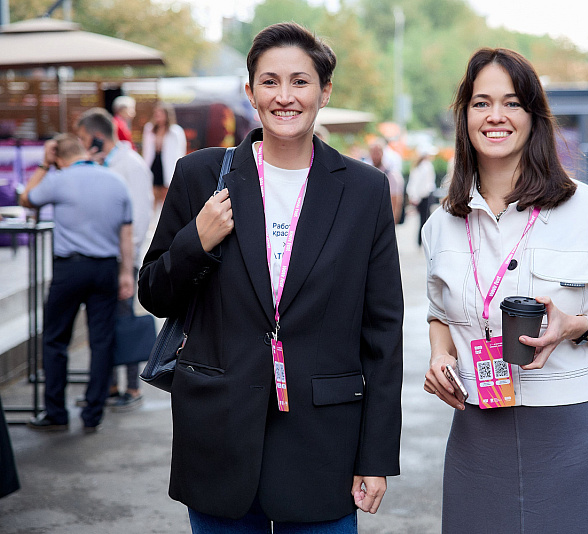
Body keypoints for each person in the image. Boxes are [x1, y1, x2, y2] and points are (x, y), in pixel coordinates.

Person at [138, 22, 403, 532]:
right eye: (270, 81)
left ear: (325, 91)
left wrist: (375, 456)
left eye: (300, 82)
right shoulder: (200, 176)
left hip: (323, 443)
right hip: (218, 435)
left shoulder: (364, 190)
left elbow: (383, 332)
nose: (285, 96)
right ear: (250, 91)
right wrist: (196, 241)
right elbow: (154, 293)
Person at [422, 48, 588, 533]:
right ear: (464, 117)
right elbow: (438, 313)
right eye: (481, 103)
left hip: (574, 428)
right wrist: (441, 356)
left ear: (533, 117)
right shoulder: (441, 223)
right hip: (477, 428)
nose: (496, 116)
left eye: (512, 103)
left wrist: (575, 326)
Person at [20, 134, 134, 433]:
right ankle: (93, 414)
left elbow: (26, 199)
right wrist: (125, 273)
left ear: (59, 158)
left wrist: (44, 165)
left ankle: (56, 413)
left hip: (70, 269)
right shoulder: (116, 181)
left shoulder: (59, 179)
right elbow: (126, 233)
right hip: (106, 268)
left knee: (55, 339)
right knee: (102, 341)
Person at [76, 107, 154, 411]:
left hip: (122, 259)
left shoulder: (130, 165)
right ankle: (108, 385)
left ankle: (132, 387)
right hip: (100, 256)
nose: (82, 144)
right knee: (102, 324)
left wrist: (127, 262)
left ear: (96, 136)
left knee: (124, 321)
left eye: (83, 138)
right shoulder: (99, 163)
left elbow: (139, 215)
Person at [141, 101, 186, 208]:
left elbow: (180, 151)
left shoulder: (175, 131)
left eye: (160, 113)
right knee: (152, 194)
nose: (158, 116)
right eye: (156, 113)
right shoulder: (149, 129)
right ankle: (153, 216)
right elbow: (146, 149)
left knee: (166, 195)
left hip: (168, 165)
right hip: (154, 163)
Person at [368, 140, 404, 223]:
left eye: (377, 152)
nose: (375, 155)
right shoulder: (367, 172)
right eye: (373, 152)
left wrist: (393, 223)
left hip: (384, 220)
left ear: (382, 153)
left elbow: (395, 201)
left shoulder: (390, 175)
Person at [406, 148, 437, 245]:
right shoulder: (425, 166)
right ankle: (423, 240)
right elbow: (419, 183)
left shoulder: (420, 166)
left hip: (423, 196)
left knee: (423, 219)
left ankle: (421, 241)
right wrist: (415, 197)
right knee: (425, 219)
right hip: (424, 196)